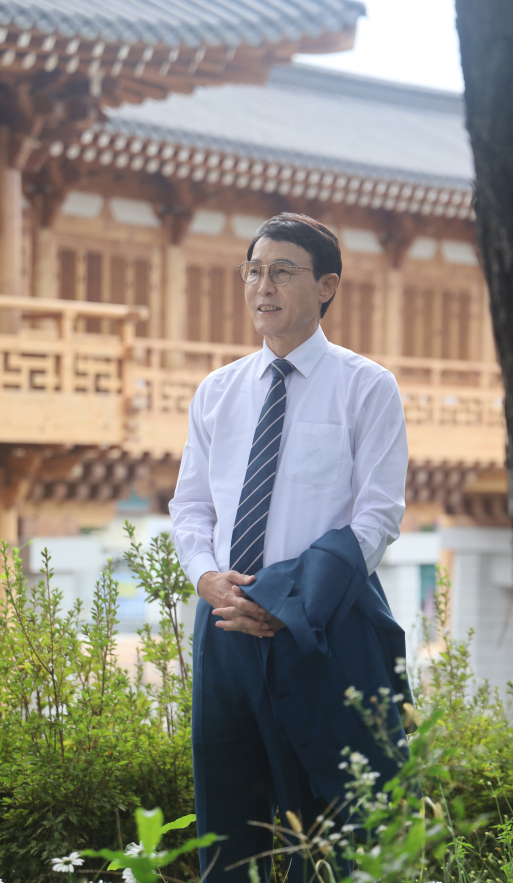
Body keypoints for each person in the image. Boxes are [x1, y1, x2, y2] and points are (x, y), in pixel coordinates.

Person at [170, 213, 411, 882]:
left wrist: (291, 601)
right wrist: (205, 577)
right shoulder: (217, 392)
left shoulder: (367, 386)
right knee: (229, 819)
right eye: (253, 271)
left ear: (326, 285)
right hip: (225, 623)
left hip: (323, 624)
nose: (263, 286)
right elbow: (191, 506)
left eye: (282, 271)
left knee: (340, 821)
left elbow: (377, 516)